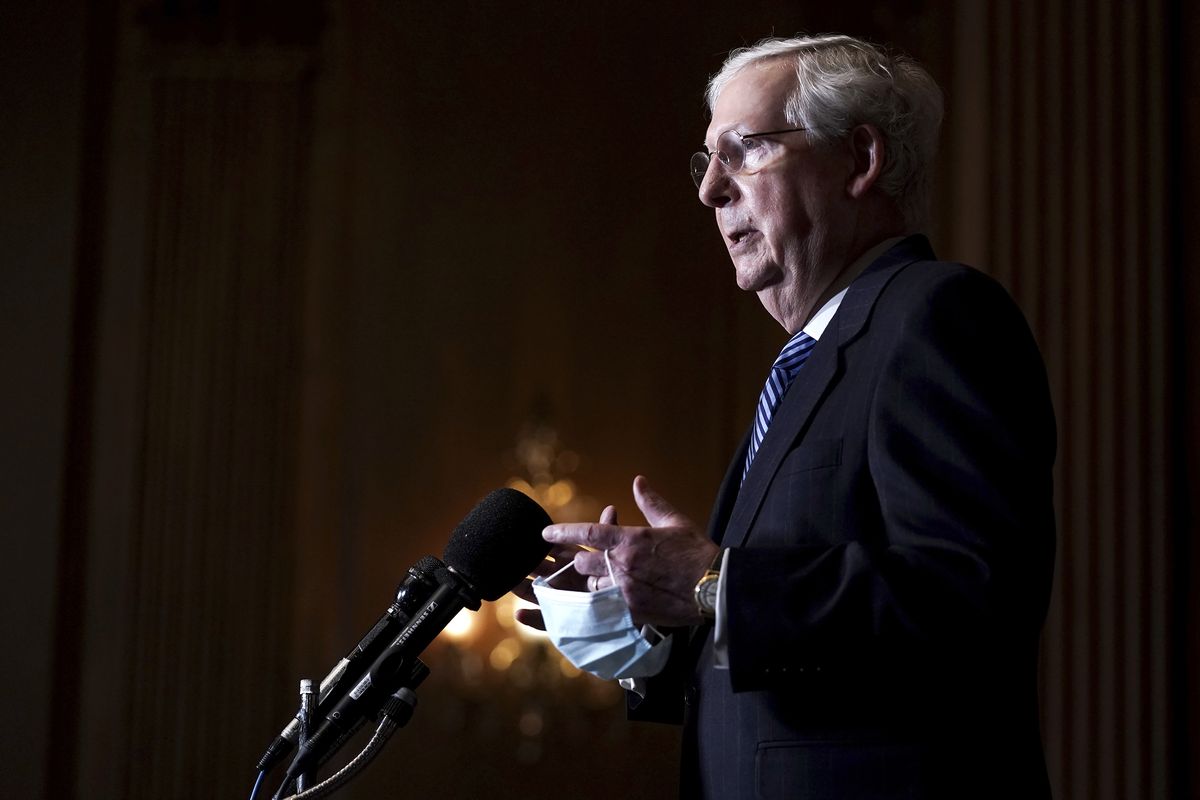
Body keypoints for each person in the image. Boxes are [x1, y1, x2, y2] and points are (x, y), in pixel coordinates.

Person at [516, 33, 1055, 800]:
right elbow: (800, 668)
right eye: (708, 161)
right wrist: (655, 622)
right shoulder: (810, 362)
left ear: (860, 160)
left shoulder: (935, 315)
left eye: (746, 151)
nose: (711, 191)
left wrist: (712, 584)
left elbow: (969, 596)